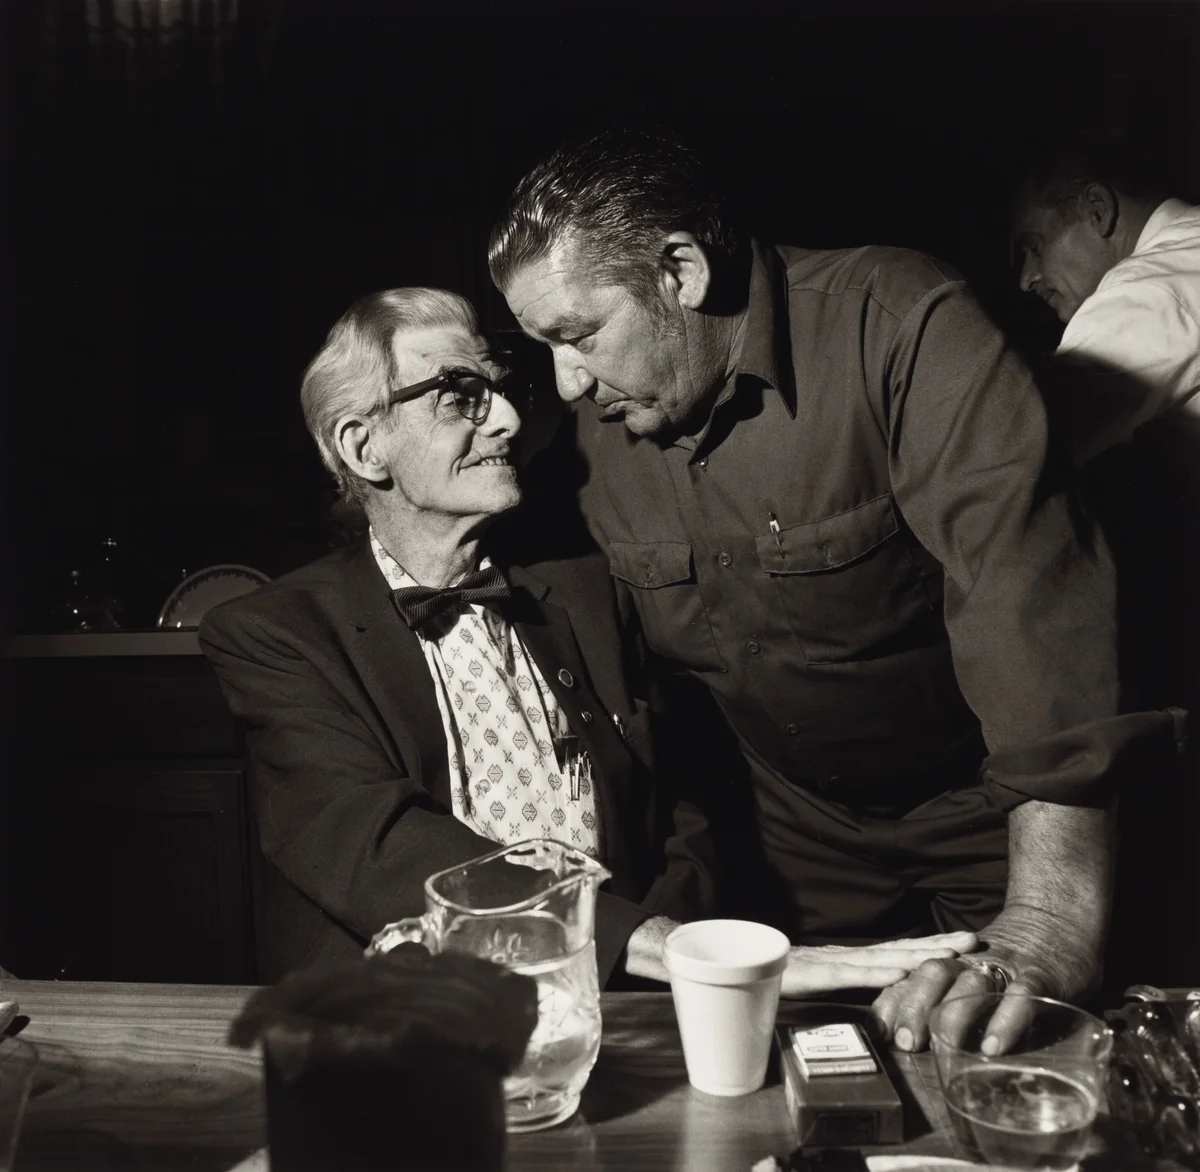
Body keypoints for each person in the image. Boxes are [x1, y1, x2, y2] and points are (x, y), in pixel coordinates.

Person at [489, 128, 1181, 1051]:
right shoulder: (593, 436)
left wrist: (1051, 918)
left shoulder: (898, 323)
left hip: (994, 809)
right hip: (792, 841)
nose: (567, 383)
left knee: (1018, 1058)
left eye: (578, 335)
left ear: (681, 272)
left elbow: (1030, 599)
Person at [199, 286, 970, 992]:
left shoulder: (585, 586)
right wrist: (651, 943)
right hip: (408, 1027)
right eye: (460, 396)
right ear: (365, 447)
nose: (506, 419)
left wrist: (663, 969)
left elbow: (687, 803)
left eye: (500, 389)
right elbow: (379, 848)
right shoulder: (274, 634)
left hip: (624, 1003)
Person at [1012, 140, 1200, 464]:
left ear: (1098, 210)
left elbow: (1013, 447)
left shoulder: (1151, 287)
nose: (1026, 279)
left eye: (1035, 247)